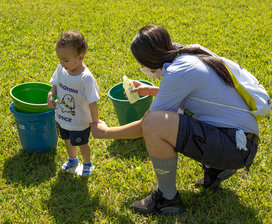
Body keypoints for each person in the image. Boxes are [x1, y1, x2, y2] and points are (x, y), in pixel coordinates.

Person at [90, 25, 259, 215]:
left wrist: (105, 132)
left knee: (156, 124)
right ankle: (216, 169)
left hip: (235, 147)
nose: (142, 68)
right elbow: (198, 97)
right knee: (167, 118)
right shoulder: (188, 55)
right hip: (241, 140)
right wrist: (153, 91)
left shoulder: (178, 72)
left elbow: (146, 126)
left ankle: (167, 198)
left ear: (149, 60)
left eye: (141, 63)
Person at [48, 30, 99, 176]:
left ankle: (87, 162)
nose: (61, 63)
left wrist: (95, 122)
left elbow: (92, 102)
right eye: (60, 59)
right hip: (63, 117)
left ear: (80, 57)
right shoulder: (62, 69)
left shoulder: (86, 78)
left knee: (82, 142)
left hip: (79, 121)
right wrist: (51, 94)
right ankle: (72, 159)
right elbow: (55, 83)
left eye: (65, 60)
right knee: (67, 140)